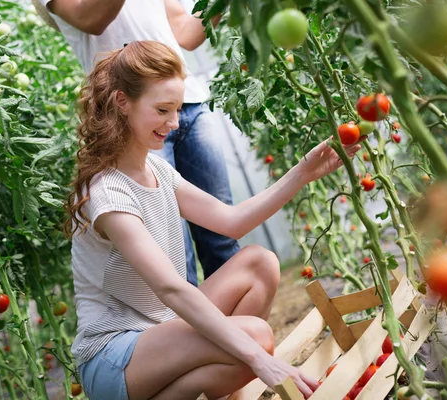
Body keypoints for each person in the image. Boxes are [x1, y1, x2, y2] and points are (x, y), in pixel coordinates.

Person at [64, 40, 364, 400]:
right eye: (162, 110)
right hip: (115, 357)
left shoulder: (157, 169)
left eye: (176, 109)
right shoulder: (108, 194)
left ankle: (231, 393)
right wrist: (258, 359)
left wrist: (302, 172)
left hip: (163, 332)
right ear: (122, 103)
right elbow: (171, 289)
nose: (174, 123)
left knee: (259, 263)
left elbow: (232, 222)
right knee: (253, 339)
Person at [40, 0, 239, 286]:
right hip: (136, 119)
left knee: (221, 237)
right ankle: (188, 330)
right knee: (172, 248)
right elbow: (90, 17)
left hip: (189, 104)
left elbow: (185, 31)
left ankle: (240, 327)